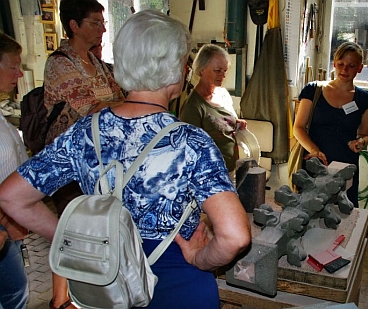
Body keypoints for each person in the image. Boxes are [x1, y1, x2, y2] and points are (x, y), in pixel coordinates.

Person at [0, 10, 250, 309]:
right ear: (176, 70)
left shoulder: (84, 132)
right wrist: (201, 258)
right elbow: (234, 236)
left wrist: (74, 238)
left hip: (107, 284)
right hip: (176, 285)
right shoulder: (190, 142)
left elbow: (12, 197)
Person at [44, 1, 124, 307]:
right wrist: (122, 106)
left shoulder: (97, 63)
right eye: (94, 22)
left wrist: (120, 105)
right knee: (70, 234)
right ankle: (61, 300)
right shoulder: (60, 63)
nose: (102, 28)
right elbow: (92, 108)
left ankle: (94, 292)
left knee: (95, 232)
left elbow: (119, 99)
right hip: (70, 166)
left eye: (102, 22)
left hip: (100, 164)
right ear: (74, 25)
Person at [293, 41, 368, 208]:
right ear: (334, 63)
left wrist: (360, 142)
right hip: (316, 162)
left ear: (360, 68)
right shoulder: (312, 90)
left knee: (344, 213)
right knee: (309, 211)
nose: (344, 70)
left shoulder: (365, 99)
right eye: (341, 64)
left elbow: (364, 134)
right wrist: (314, 150)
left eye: (351, 66)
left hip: (345, 165)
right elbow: (298, 127)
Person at [179, 44, 247, 174]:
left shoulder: (222, 94)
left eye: (225, 71)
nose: (223, 75)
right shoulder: (193, 107)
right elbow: (189, 149)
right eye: (217, 70)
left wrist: (236, 123)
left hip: (231, 169)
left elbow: (222, 123)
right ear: (201, 70)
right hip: (210, 174)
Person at [0, 31, 29, 309]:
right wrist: (7, 222)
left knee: (14, 289)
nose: (19, 74)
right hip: (2, 218)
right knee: (13, 291)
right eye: (13, 66)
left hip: (8, 215)